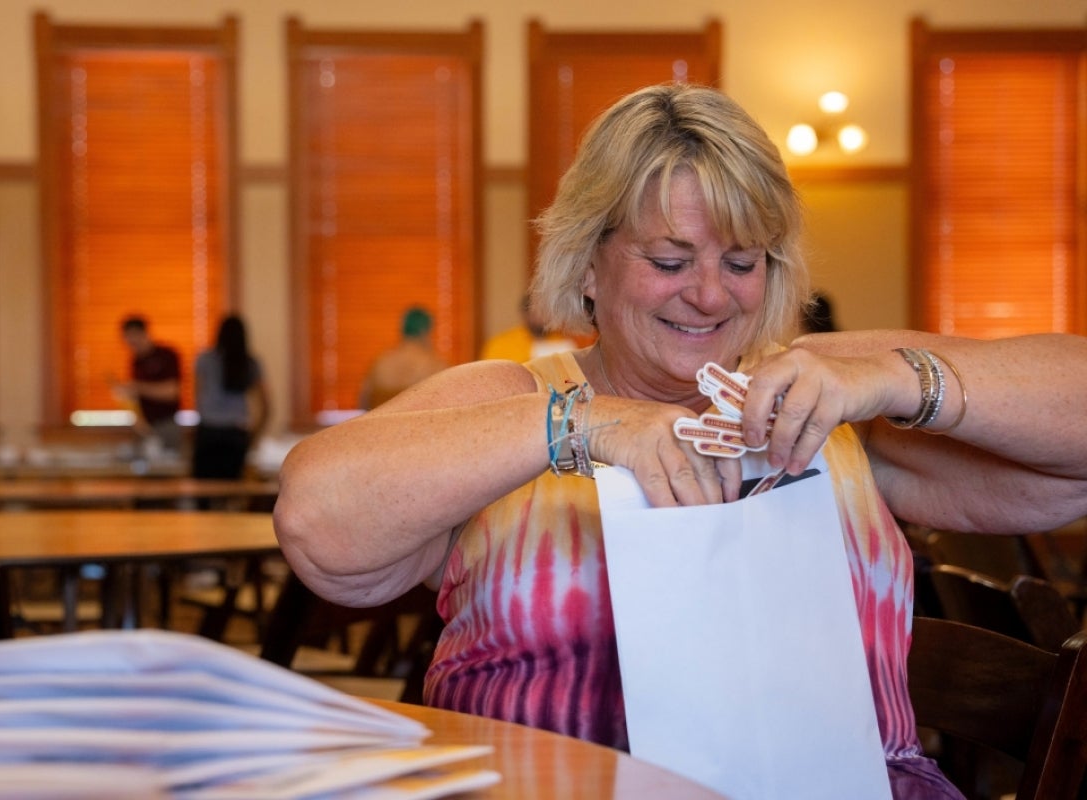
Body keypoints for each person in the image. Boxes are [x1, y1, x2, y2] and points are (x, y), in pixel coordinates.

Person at [273, 83, 1087, 799]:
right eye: (670, 258)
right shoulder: (517, 399)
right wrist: (583, 426)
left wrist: (894, 380)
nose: (707, 295)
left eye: (742, 261)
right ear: (588, 263)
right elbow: (317, 525)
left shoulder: (830, 393)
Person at [191, 314, 270, 480]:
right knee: (232, 491)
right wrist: (254, 434)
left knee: (203, 490)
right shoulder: (250, 363)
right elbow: (266, 405)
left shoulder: (205, 359)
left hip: (209, 432)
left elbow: (198, 396)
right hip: (236, 434)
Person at [113, 315, 182, 454]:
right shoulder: (136, 361)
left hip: (166, 423)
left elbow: (172, 391)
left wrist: (138, 387)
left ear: (143, 333)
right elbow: (136, 399)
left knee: (168, 469)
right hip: (145, 426)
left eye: (133, 338)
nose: (131, 343)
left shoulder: (166, 355)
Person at [358, 306, 449, 410]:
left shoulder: (380, 363)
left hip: (382, 425)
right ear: (425, 331)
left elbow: (363, 404)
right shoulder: (435, 365)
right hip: (418, 425)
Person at [480, 292, 576, 362]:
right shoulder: (500, 345)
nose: (543, 317)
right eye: (538, 311)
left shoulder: (561, 343)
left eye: (546, 311)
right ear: (526, 314)